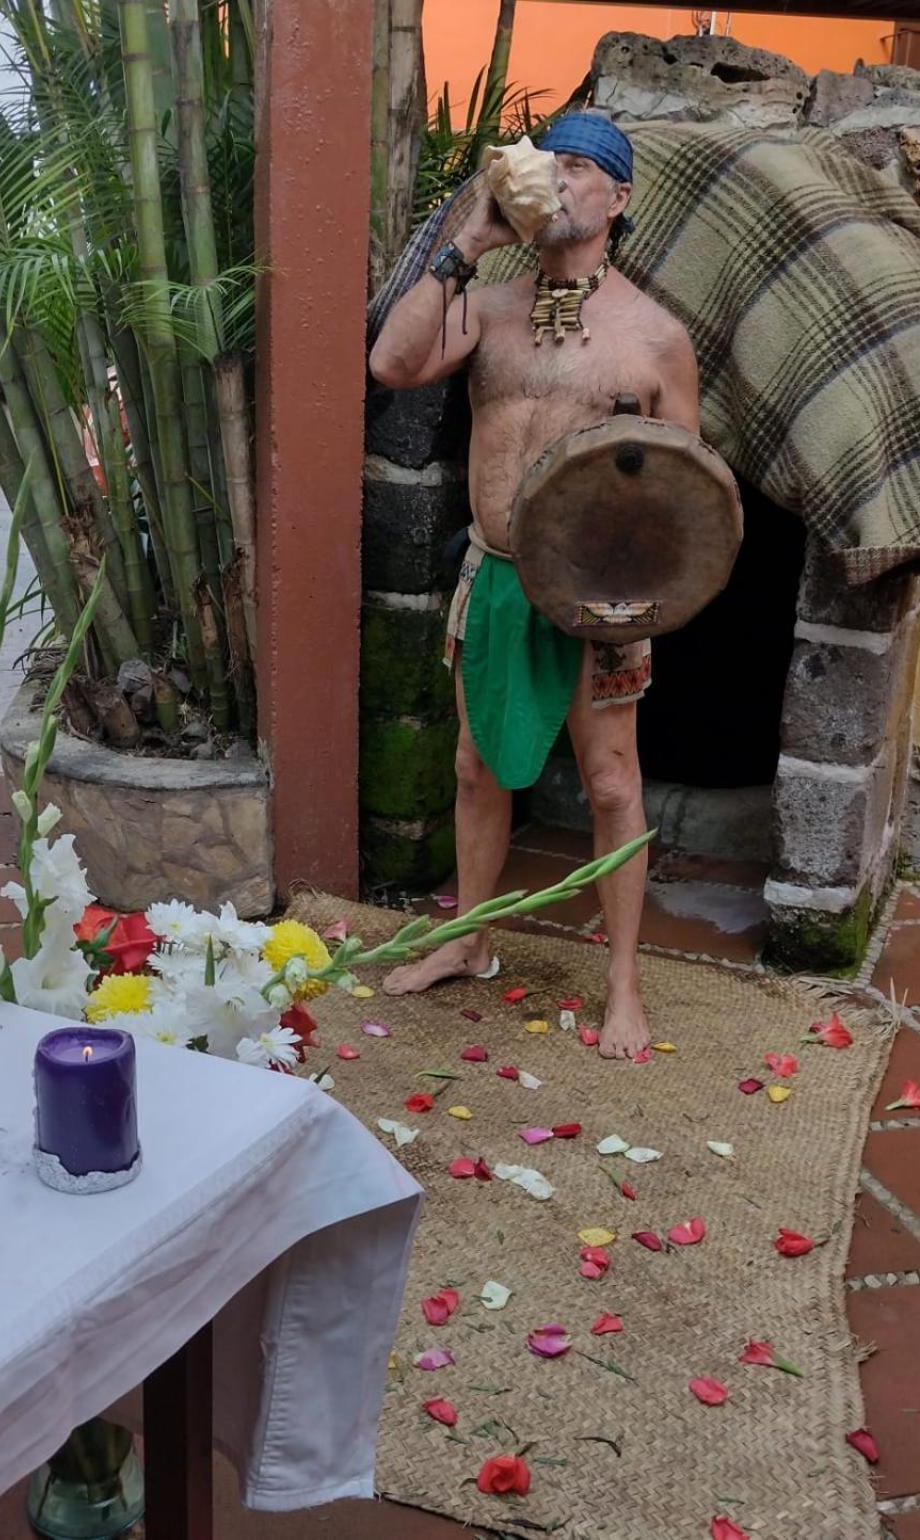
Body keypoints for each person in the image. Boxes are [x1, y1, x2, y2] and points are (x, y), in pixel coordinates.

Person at [367, 114, 699, 1061]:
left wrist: (647, 598)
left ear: (619, 199)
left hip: (602, 597)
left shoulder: (654, 337)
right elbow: (391, 364)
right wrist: (469, 239)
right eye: (551, 161)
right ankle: (467, 941)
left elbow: (689, 493)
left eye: (582, 167)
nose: (560, 178)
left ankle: (624, 986)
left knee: (609, 781)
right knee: (475, 766)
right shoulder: (494, 307)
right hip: (497, 573)